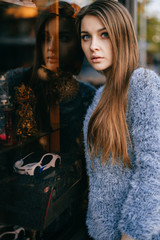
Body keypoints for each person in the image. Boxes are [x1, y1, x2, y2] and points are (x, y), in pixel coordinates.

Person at [76, 0, 160, 239]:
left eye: (104, 34)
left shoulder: (142, 82)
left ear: (122, 35)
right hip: (101, 232)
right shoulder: (101, 94)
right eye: (85, 36)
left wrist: (131, 233)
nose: (93, 46)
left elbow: (154, 169)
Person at [4, 1, 96, 153]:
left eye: (64, 38)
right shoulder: (13, 82)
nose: (51, 47)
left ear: (78, 45)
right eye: (46, 38)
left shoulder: (88, 98)